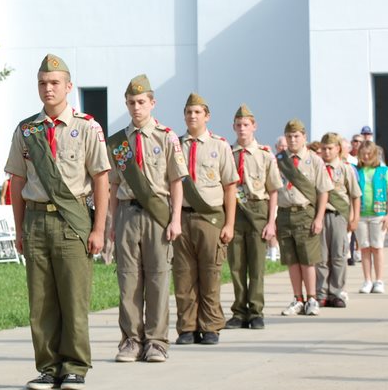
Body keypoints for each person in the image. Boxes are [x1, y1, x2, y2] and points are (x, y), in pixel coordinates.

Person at [6, 54, 109, 390]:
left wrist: (98, 229)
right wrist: (20, 228)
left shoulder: (87, 127)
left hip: (73, 219)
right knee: (41, 299)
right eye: (42, 83)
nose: (48, 89)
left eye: (54, 83)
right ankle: (48, 366)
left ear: (68, 87)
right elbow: (17, 182)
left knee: (73, 296)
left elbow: (101, 180)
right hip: (36, 219)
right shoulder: (27, 130)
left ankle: (75, 365)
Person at [106, 75, 185, 363]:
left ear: (152, 102)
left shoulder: (166, 137)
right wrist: (112, 222)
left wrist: (175, 219)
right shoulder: (118, 142)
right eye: (131, 103)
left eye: (141, 102)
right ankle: (130, 340)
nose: (136, 107)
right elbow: (113, 184)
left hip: (157, 214)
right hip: (127, 211)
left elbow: (176, 181)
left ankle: (156, 341)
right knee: (128, 280)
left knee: (158, 279)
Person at [173, 93, 236, 343]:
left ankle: (210, 326)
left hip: (211, 217)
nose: (192, 116)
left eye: (197, 112)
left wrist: (229, 224)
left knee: (211, 273)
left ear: (206, 116)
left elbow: (230, 187)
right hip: (183, 216)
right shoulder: (175, 145)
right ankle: (187, 327)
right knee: (183, 275)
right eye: (188, 112)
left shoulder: (219, 146)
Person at [227, 104, 281, 330]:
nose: (242, 129)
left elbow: (273, 191)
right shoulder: (228, 153)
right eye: (238, 125)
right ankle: (239, 311)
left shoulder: (265, 156)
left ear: (254, 126)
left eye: (246, 125)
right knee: (237, 264)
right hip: (235, 210)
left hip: (258, 209)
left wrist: (271, 222)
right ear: (233, 127)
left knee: (257, 265)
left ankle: (256, 310)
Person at [276, 119, 332, 316]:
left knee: (308, 259)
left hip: (305, 212)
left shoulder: (314, 160)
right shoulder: (280, 160)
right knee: (291, 260)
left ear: (304, 137)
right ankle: (297, 298)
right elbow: (274, 189)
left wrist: (318, 218)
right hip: (284, 213)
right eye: (289, 136)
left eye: (296, 136)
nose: (292, 140)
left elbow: (323, 191)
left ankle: (311, 298)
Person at [316, 133, 360, 308]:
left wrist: (355, 217)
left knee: (339, 255)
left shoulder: (345, 168)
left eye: (330, 148)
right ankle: (321, 292)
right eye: (324, 148)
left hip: (338, 215)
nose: (327, 152)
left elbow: (355, 195)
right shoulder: (317, 168)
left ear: (338, 149)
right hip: (320, 215)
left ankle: (336, 292)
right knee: (321, 257)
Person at [355, 141, 388, 293]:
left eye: (368, 154)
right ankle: (367, 280)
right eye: (363, 154)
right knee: (364, 248)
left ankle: (379, 280)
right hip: (361, 215)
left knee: (377, 247)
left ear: (374, 155)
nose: (365, 157)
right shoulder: (357, 171)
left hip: (379, 215)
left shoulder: (383, 171)